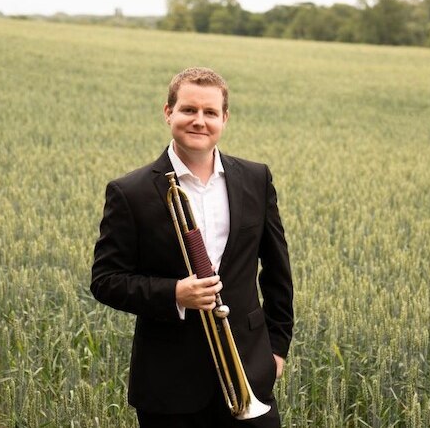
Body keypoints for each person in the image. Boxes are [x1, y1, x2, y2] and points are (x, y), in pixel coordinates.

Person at [91, 67, 293, 428]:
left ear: (224, 118)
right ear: (168, 112)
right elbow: (105, 280)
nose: (199, 121)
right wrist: (175, 294)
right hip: (169, 382)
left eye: (210, 112)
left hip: (250, 369)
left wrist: (276, 349)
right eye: (188, 110)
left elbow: (278, 271)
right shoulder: (130, 191)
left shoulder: (256, 179)